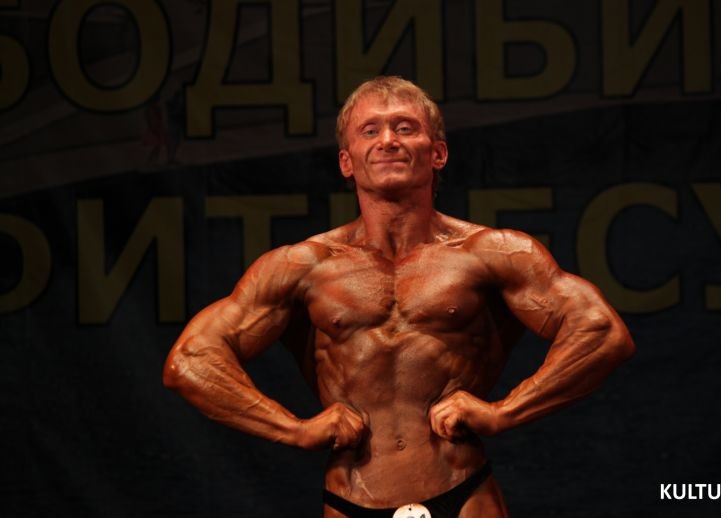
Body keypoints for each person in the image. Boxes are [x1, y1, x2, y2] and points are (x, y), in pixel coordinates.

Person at [163, 76, 635, 517]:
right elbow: (191, 360)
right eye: (370, 130)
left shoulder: (493, 253)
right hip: (350, 498)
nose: (388, 140)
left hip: (464, 490)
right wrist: (292, 429)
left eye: (405, 128)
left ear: (438, 153)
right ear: (347, 161)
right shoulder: (303, 266)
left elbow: (602, 333)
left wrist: (505, 412)